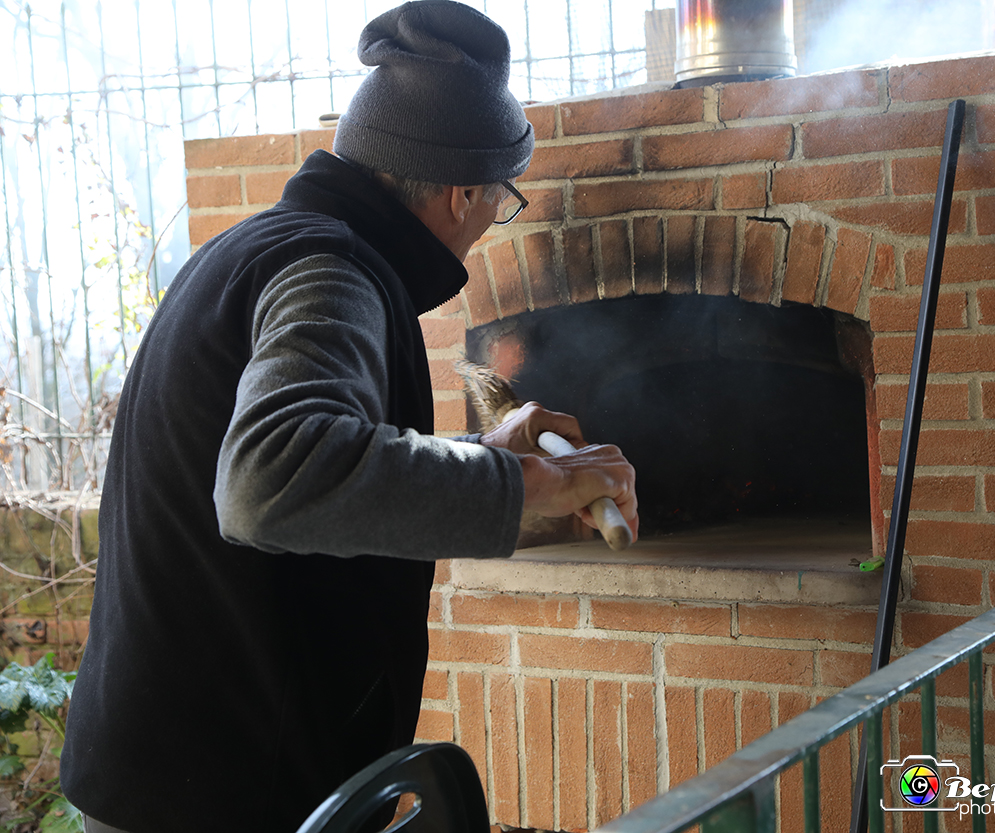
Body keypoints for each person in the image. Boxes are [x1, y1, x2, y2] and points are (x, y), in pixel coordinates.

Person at [60, 3, 637, 831]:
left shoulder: (251, 246)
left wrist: (484, 451)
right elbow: (272, 478)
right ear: (463, 191)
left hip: (170, 772)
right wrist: (513, 480)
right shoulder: (327, 271)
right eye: (500, 200)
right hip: (216, 796)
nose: (488, 222)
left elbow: (331, 456)